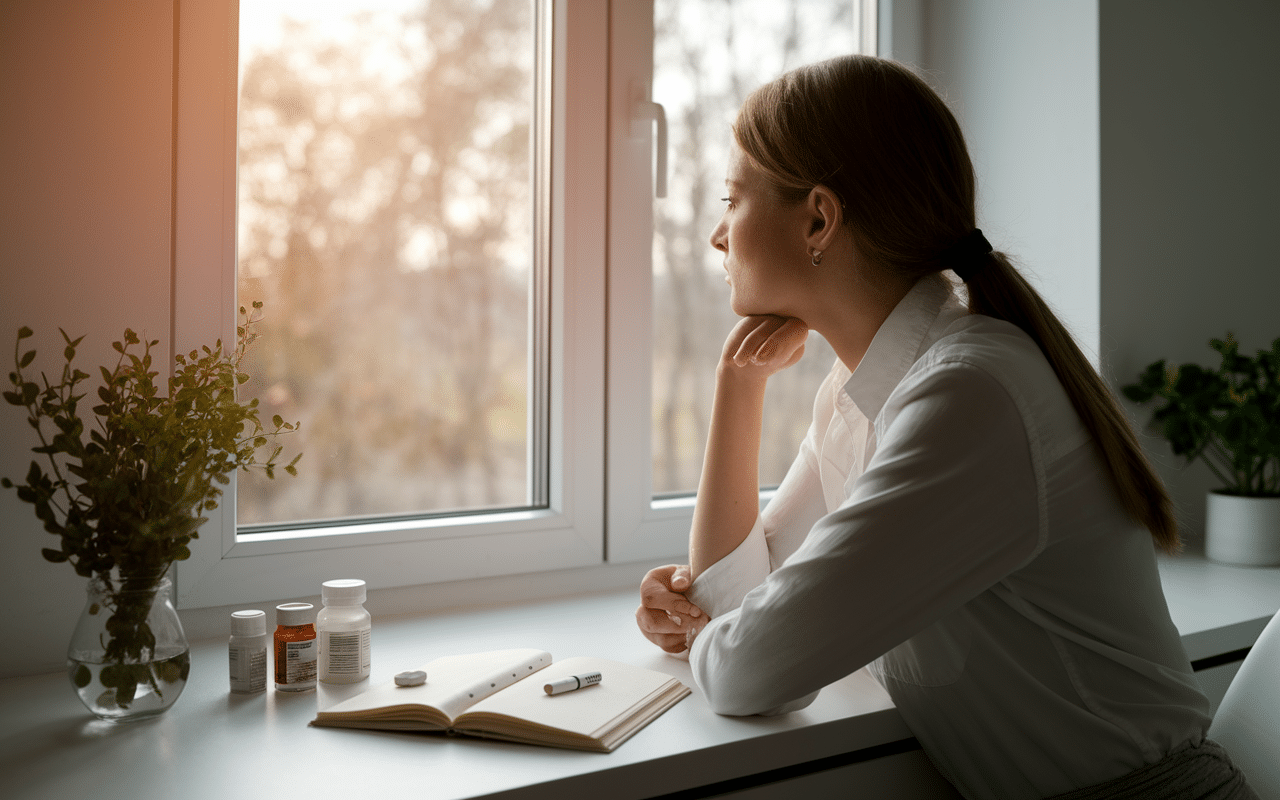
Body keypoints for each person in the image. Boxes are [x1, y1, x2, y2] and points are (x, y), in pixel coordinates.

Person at [634, 55, 1257, 800]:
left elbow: (750, 668)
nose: (715, 236)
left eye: (732, 200)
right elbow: (741, 604)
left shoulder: (968, 396)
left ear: (819, 219)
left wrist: (705, 632)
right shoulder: (861, 392)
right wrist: (739, 388)